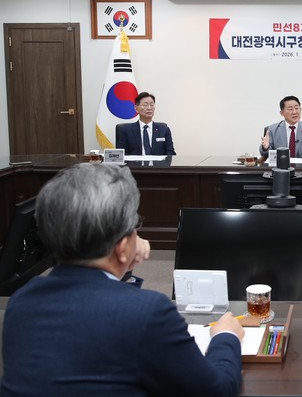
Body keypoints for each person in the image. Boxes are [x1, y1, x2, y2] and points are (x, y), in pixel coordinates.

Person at [1, 163, 244, 396]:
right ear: (121, 247)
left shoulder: (22, 302)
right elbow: (216, 389)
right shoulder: (147, 312)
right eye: (135, 225)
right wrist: (225, 336)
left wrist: (125, 262)